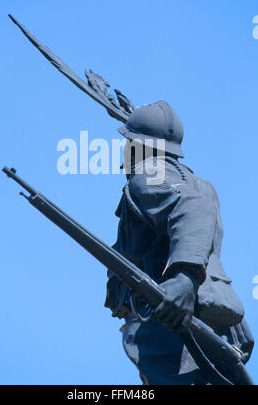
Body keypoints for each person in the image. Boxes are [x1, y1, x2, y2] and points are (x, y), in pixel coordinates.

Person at [104, 100, 254, 385]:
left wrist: (184, 278)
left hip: (173, 325)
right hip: (208, 325)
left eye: (128, 142)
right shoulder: (199, 183)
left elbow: (192, 209)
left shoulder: (148, 176)